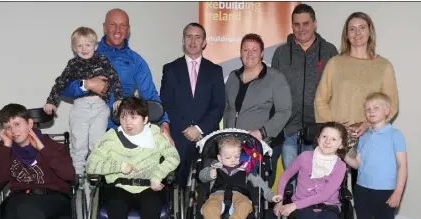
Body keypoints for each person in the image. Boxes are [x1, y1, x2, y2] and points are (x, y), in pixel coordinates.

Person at [314, 11, 399, 219]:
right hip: (339, 140)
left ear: (370, 31)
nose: (358, 33)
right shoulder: (336, 63)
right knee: (334, 191)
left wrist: (366, 123)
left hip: (370, 138)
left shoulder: (383, 66)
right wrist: (333, 124)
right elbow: (321, 98)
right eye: (352, 28)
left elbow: (391, 104)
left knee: (366, 195)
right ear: (346, 34)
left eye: (363, 28)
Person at [86, 96, 180, 219]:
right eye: (123, 117)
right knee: (116, 205)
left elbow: (173, 157)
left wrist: (157, 175)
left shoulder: (155, 134)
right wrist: (119, 165)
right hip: (120, 185)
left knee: (151, 205)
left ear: (145, 119)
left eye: (134, 117)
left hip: (148, 186)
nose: (128, 123)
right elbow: (92, 165)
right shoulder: (111, 137)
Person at [60, 8, 172, 142]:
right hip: (89, 129)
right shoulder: (87, 52)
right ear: (104, 27)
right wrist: (87, 84)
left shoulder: (136, 61)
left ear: (128, 29)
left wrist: (164, 123)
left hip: (121, 132)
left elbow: (151, 96)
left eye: (123, 25)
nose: (118, 30)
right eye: (113, 24)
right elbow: (64, 88)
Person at [43, 26, 123, 181]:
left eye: (88, 45)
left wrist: (119, 98)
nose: (84, 49)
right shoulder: (73, 64)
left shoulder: (103, 60)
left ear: (95, 46)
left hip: (99, 107)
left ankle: (96, 175)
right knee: (78, 144)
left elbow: (114, 79)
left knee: (97, 143)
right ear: (74, 48)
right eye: (79, 46)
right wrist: (51, 101)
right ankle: (77, 177)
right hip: (80, 107)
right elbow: (61, 83)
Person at [344, 92, 407, 219]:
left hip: (386, 192)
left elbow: (402, 165)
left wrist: (398, 191)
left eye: (376, 107)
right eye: (367, 109)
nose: (371, 111)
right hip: (362, 189)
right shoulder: (364, 137)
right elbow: (357, 164)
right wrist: (344, 154)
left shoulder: (395, 135)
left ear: (387, 110)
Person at [271, 4, 338, 170]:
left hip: (320, 132)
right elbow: (272, 91)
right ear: (292, 25)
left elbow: (336, 91)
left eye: (306, 23)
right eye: (296, 24)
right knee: (291, 183)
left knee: (316, 185)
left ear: (315, 23)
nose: (301, 29)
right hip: (289, 132)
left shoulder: (329, 51)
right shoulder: (281, 53)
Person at [160, 22, 225, 189]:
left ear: (204, 42)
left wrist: (199, 128)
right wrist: (185, 127)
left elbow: (218, 105)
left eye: (198, 37)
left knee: (207, 186)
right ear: (183, 41)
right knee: (174, 187)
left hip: (206, 136)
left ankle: (202, 215)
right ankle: (174, 215)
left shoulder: (215, 70)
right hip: (178, 136)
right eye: (189, 36)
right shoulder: (170, 69)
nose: (193, 41)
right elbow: (166, 103)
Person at [224, 33, 292, 188]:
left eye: (254, 50)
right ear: (240, 53)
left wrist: (262, 132)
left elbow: (284, 111)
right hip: (234, 146)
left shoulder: (276, 78)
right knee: (234, 189)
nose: (250, 54)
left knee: (257, 190)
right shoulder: (233, 77)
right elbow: (228, 108)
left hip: (263, 145)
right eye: (245, 50)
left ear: (262, 53)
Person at [199, 136, 282, 219]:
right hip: (217, 194)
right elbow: (201, 176)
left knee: (246, 205)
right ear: (219, 158)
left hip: (240, 195)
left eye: (237, 156)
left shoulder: (246, 169)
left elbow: (261, 185)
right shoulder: (215, 167)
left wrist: (272, 196)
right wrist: (209, 174)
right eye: (228, 158)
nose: (233, 160)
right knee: (209, 207)